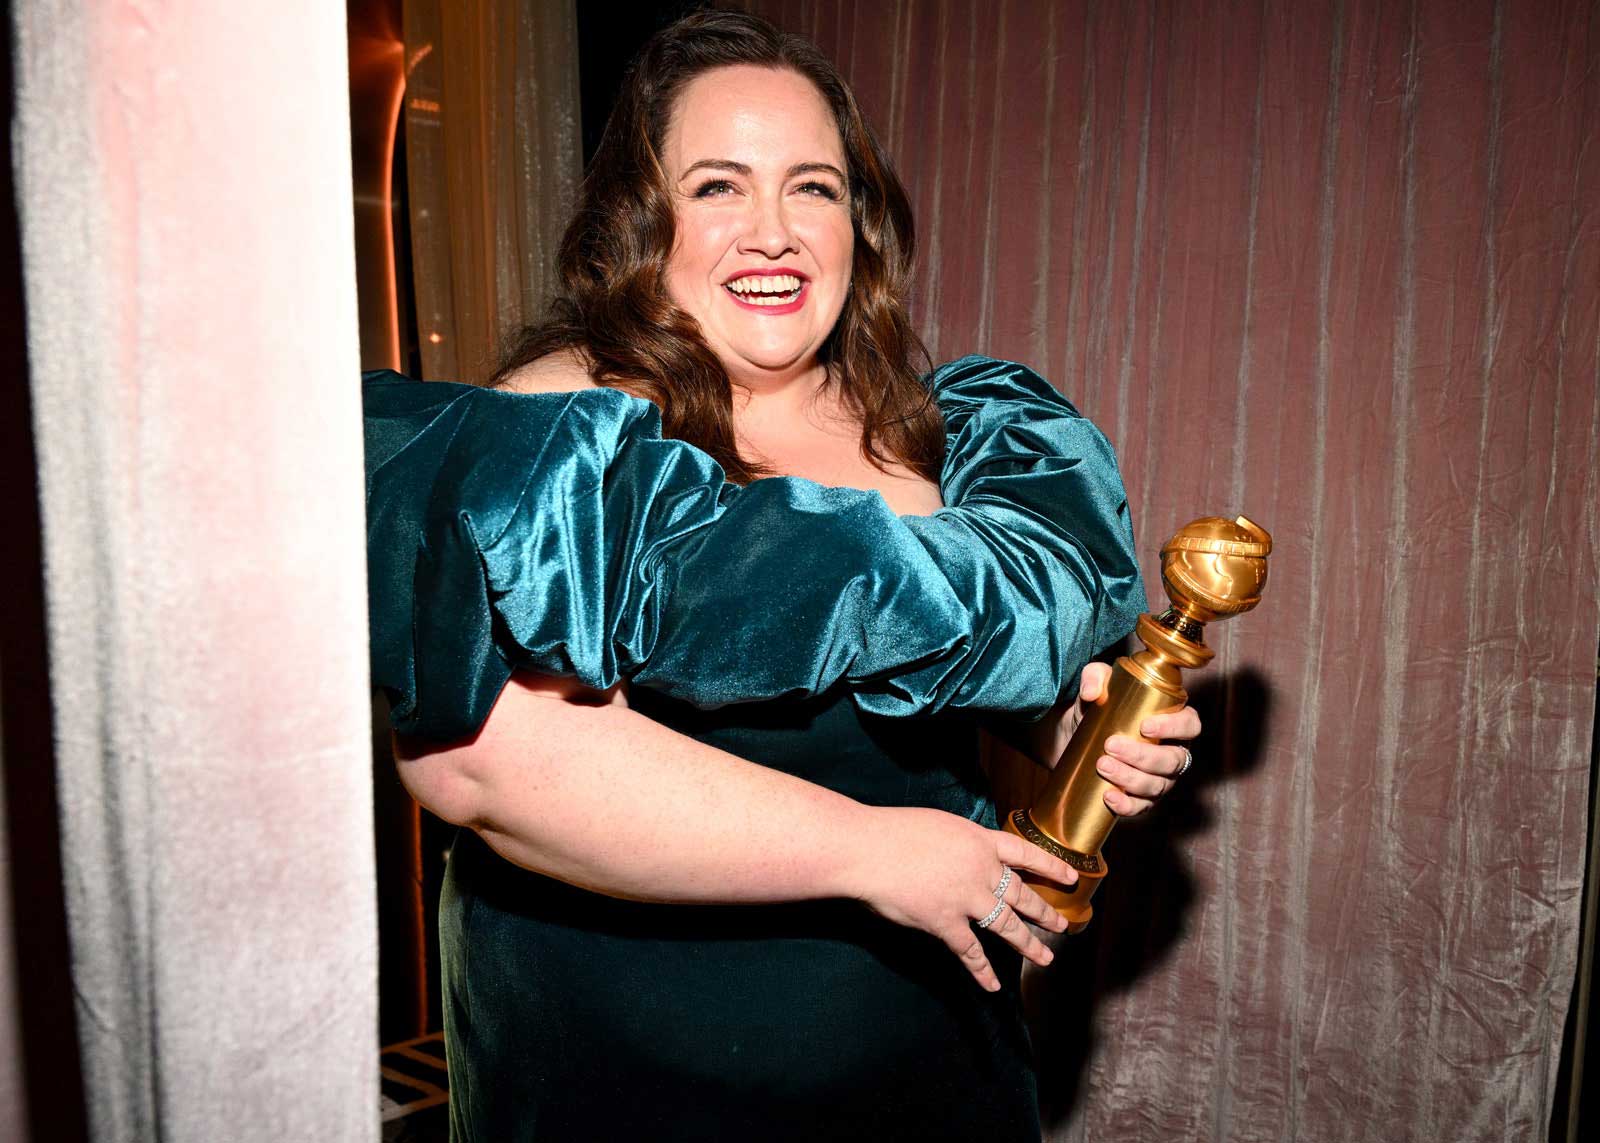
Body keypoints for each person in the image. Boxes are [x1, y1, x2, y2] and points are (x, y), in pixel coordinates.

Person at [367, 11, 1200, 1141]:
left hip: (922, 1046)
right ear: (641, 220)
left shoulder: (931, 433)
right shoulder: (566, 430)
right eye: (717, 186)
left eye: (810, 187)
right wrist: (870, 852)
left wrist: (1069, 732)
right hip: (629, 1071)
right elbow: (486, 770)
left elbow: (929, 720)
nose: (772, 233)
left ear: (857, 220)